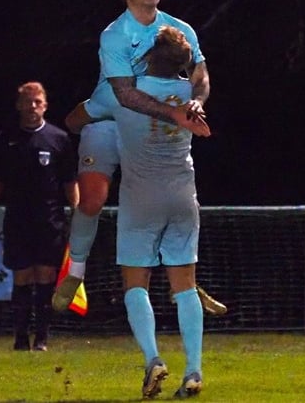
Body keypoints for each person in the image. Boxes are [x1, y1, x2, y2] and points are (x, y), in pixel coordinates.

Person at [52, 0, 226, 316]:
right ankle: (76, 271)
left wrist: (195, 101)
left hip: (151, 124)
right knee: (93, 200)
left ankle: (187, 281)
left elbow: (201, 76)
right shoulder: (115, 35)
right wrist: (175, 112)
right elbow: (122, 96)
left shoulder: (180, 29)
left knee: (166, 202)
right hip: (114, 118)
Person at [67, 26, 205, 398]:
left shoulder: (123, 93)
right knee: (185, 287)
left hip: (142, 197)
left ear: (146, 56)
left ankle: (153, 360)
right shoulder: (189, 93)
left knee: (135, 285)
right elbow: (201, 79)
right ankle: (193, 369)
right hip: (183, 196)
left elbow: (76, 119)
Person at [0, 81, 79, 352]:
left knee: (46, 276)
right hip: (17, 220)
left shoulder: (59, 139)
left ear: (45, 105)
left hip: (50, 220)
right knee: (21, 277)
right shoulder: (7, 139)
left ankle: (42, 338)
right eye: (27, 102)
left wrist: (78, 215)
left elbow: (70, 182)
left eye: (37, 102)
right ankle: (21, 337)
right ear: (18, 105)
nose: (32, 107)